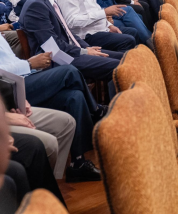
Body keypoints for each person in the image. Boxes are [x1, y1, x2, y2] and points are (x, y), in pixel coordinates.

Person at [1, 34, 104, 182]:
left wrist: (31, 66)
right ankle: (96, 111)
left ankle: (78, 163)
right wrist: (29, 64)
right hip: (11, 90)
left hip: (23, 79)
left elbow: (12, 62)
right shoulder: (33, 10)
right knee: (69, 71)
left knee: (75, 97)